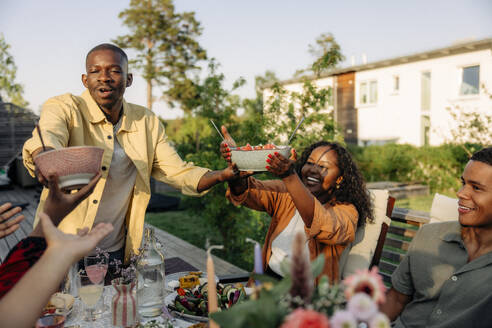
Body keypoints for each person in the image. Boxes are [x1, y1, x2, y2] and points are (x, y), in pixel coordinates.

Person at [22, 43, 236, 265]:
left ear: (129, 78)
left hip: (114, 251)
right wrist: (46, 158)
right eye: (95, 71)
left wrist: (222, 175)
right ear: (85, 80)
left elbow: (177, 172)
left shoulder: (146, 121)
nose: (104, 77)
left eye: (114, 70)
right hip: (58, 249)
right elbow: (48, 135)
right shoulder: (64, 107)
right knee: (58, 302)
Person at [221, 128, 373, 282]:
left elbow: (325, 226)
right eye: (309, 163)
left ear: (339, 179)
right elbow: (247, 193)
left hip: (307, 295)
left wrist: (289, 176)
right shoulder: (287, 193)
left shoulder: (347, 211)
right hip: (267, 283)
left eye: (323, 167)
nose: (313, 170)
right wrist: (237, 165)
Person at [380, 147, 492, 327]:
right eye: (463, 183)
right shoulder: (428, 235)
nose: (461, 193)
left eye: (476, 188)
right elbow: (396, 299)